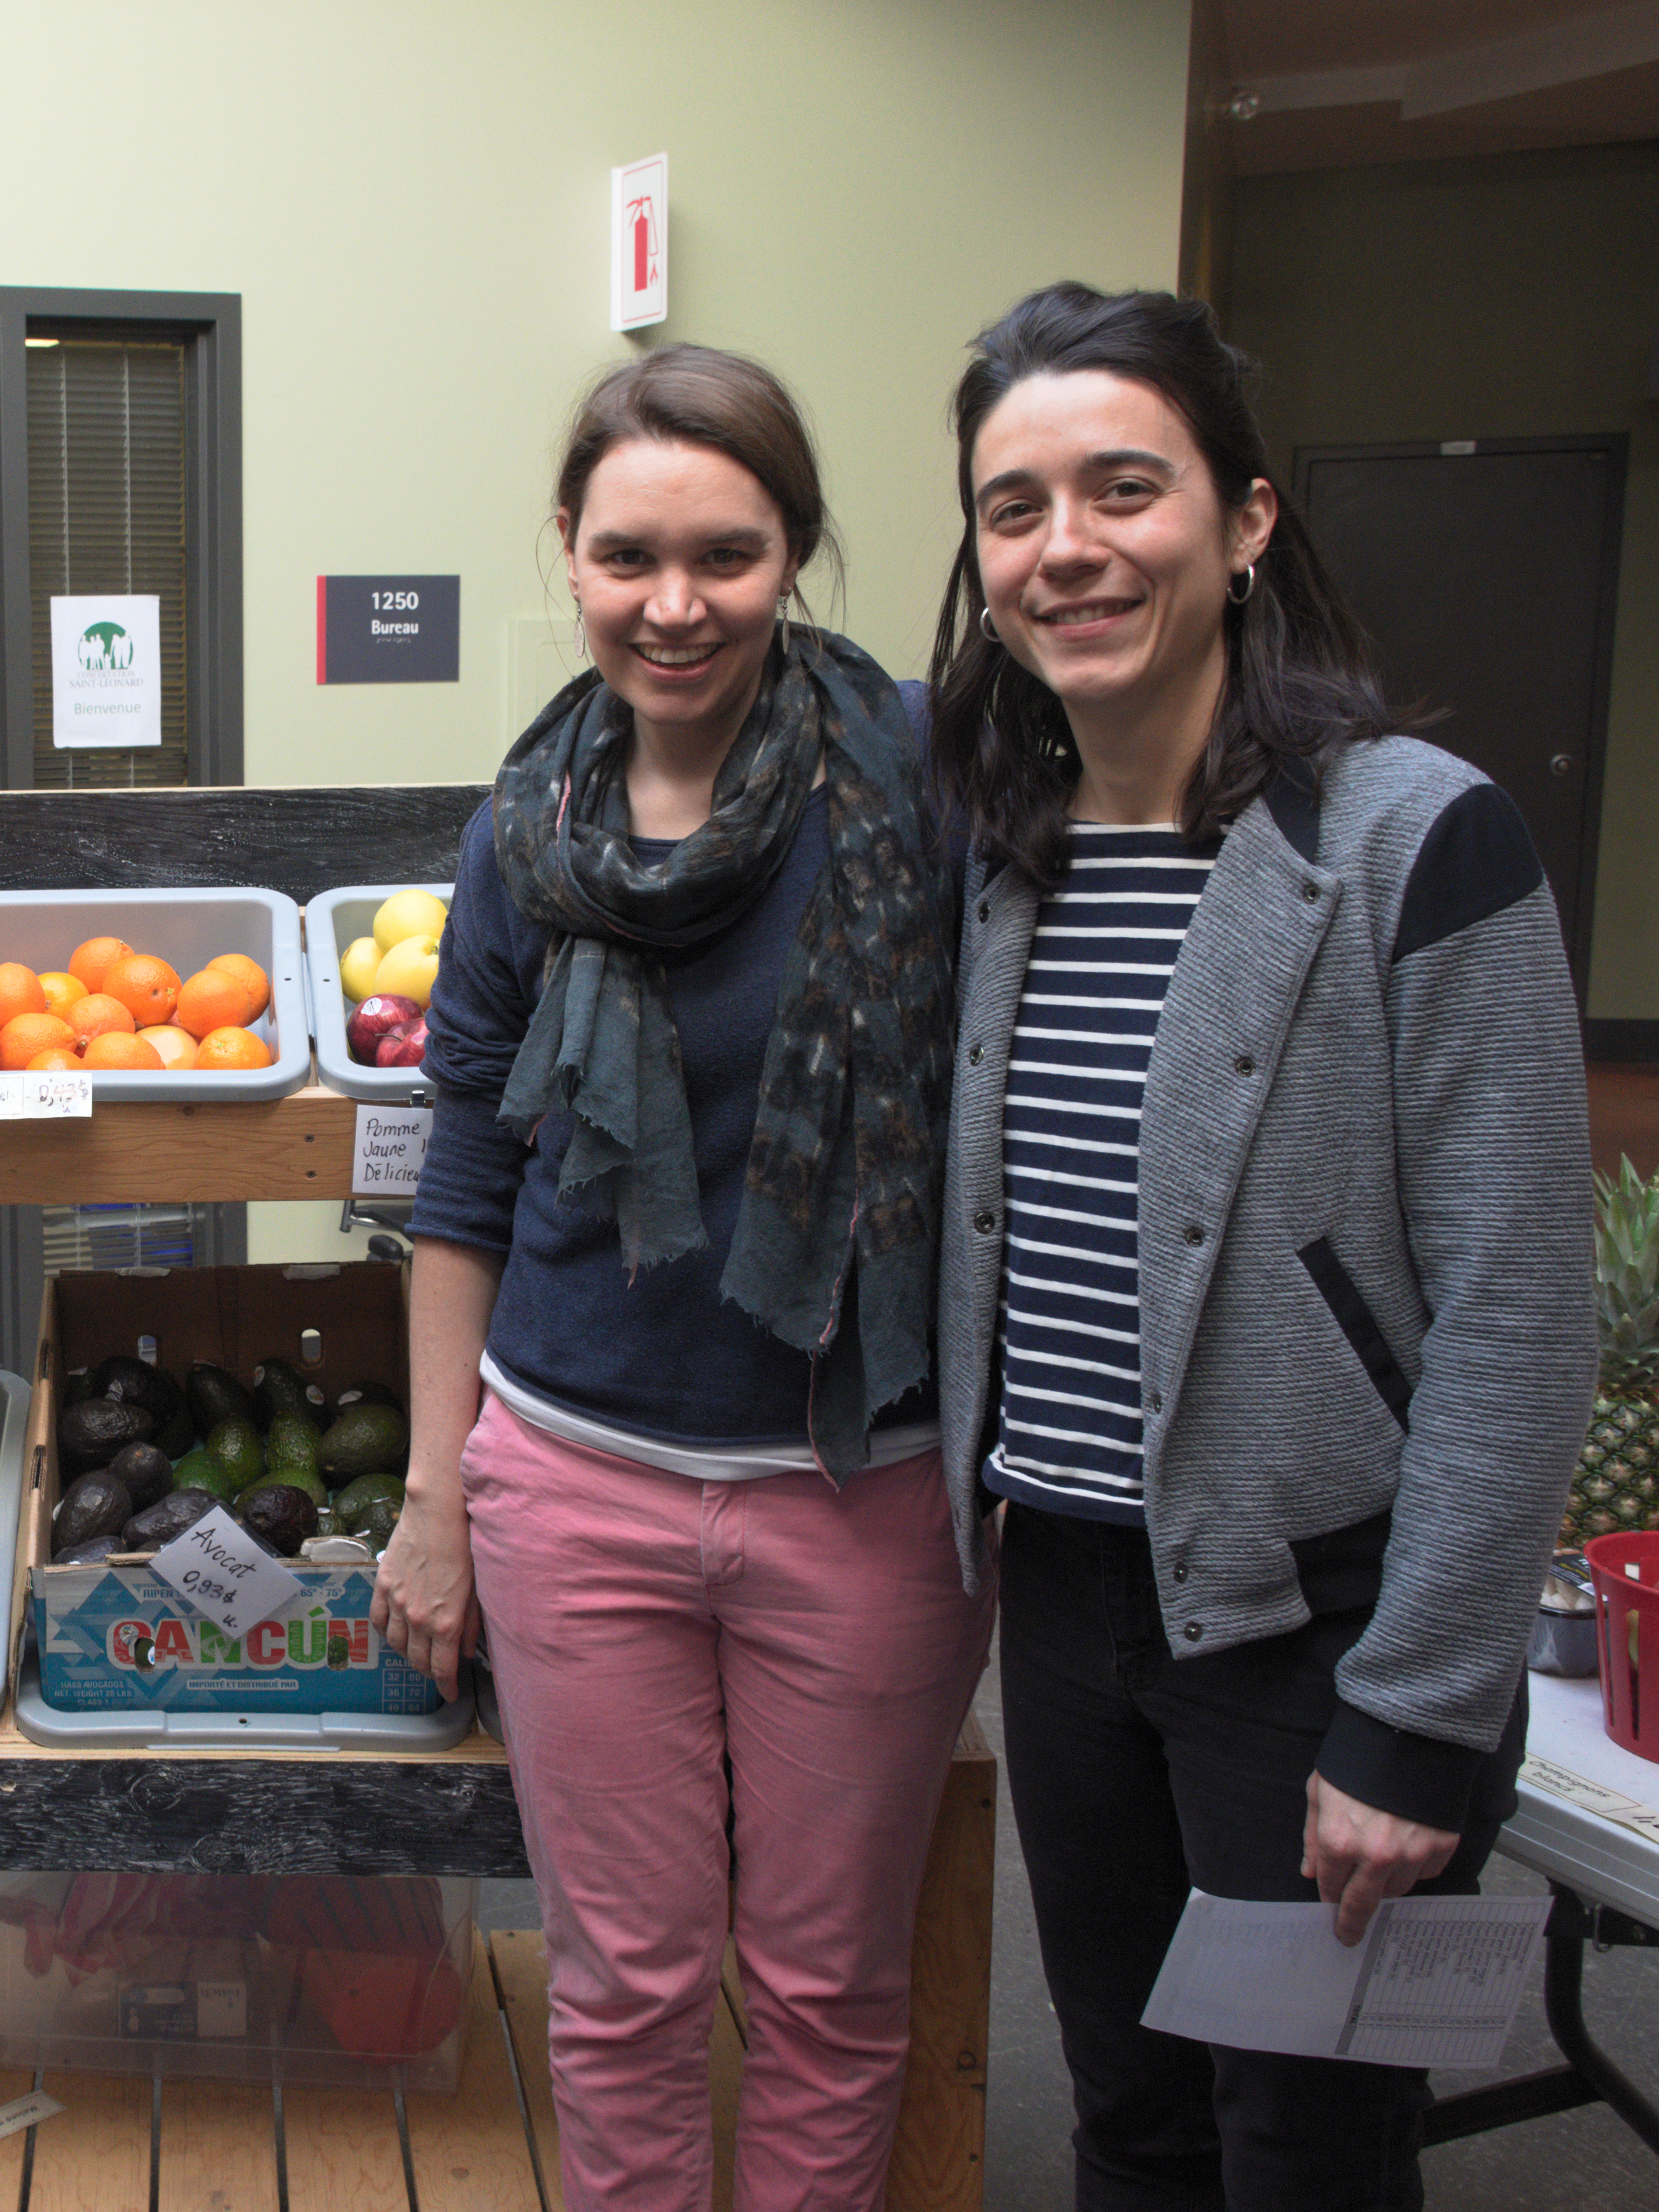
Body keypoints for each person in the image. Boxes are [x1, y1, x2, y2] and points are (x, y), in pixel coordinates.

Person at [924, 282, 1593, 2211]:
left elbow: (1520, 1313)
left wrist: (1419, 1713)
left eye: (1124, 489)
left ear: (1246, 520)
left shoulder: (1415, 840)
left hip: (1315, 1632)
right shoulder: (1006, 849)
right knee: (1128, 2119)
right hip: (1066, 1602)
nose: (1067, 548)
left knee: (1305, 2149)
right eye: (1015, 509)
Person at [372, 345, 985, 2211]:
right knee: (623, 1988)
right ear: (568, 547)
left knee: (828, 1992)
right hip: (575, 1488)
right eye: (629, 554)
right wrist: (437, 1500)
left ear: (796, 549)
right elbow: (464, 1172)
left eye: (728, 553)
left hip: (863, 1489)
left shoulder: (926, 780)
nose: (675, 602)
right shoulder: (527, 831)